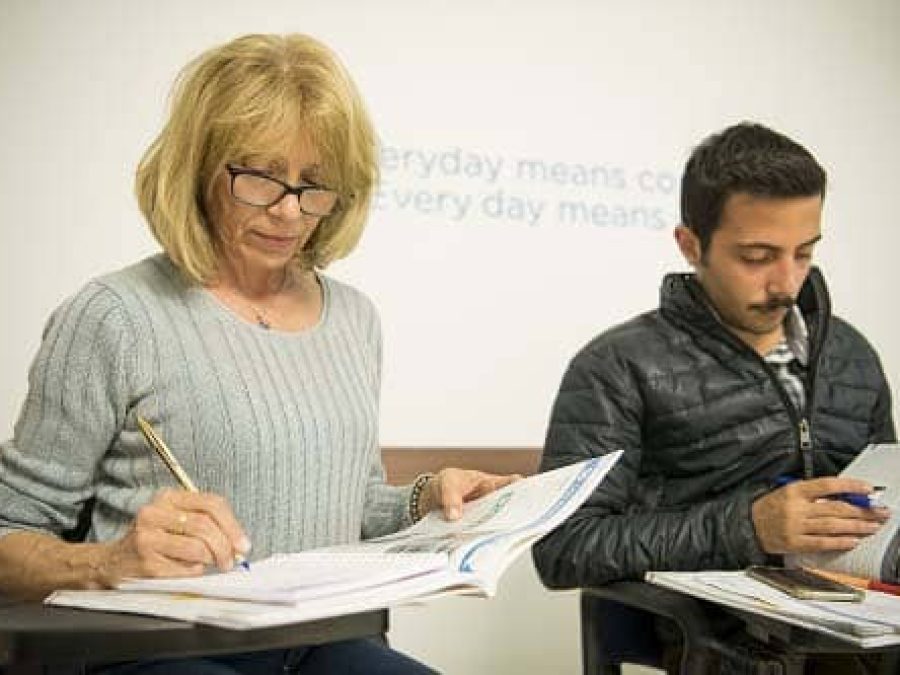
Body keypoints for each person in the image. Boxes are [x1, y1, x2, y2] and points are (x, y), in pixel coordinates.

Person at [0, 33, 516, 674]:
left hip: (324, 641)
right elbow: (8, 530)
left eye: (314, 185)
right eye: (261, 177)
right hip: (155, 647)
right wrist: (106, 562)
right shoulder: (114, 316)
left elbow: (344, 503)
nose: (288, 212)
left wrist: (425, 498)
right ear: (197, 168)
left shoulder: (354, 318)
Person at [532, 122, 896, 671]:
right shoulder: (617, 365)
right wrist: (747, 528)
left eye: (804, 252)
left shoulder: (851, 354)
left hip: (858, 633)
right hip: (719, 645)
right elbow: (562, 549)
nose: (786, 283)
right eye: (757, 256)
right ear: (690, 245)